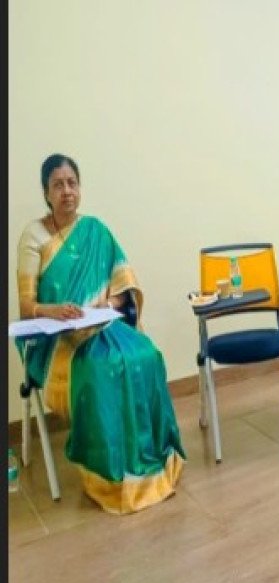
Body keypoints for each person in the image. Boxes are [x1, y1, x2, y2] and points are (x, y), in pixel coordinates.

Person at [15, 154, 185, 514]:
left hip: (103, 326)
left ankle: (152, 458)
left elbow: (123, 283)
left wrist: (109, 301)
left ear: (80, 188)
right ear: (46, 193)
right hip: (58, 341)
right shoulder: (33, 236)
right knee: (100, 371)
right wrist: (53, 309)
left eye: (72, 183)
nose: (67, 191)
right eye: (58, 185)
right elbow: (26, 306)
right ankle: (107, 476)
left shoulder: (97, 230)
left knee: (147, 355)